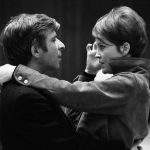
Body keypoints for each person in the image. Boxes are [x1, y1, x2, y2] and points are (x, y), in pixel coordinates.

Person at [0, 6, 149, 150]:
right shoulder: (24, 96)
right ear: (35, 50)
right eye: (54, 39)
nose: (96, 53)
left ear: (124, 48)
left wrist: (20, 73)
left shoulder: (131, 83)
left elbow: (74, 95)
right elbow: (73, 123)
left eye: (102, 46)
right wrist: (89, 74)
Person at [0, 13, 83, 150]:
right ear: (36, 50)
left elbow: (66, 130)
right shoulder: (27, 98)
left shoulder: (19, 89)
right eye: (54, 39)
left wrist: (88, 74)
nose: (62, 45)